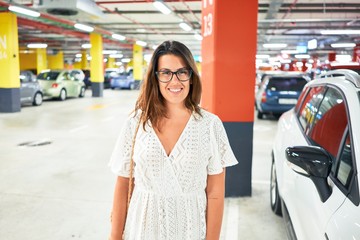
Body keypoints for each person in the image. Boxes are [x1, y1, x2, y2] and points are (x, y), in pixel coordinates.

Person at [109, 40, 238, 240]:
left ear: (192, 77)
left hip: (190, 231)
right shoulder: (136, 123)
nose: (174, 81)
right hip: (141, 230)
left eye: (182, 72)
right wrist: (114, 236)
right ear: (155, 78)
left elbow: (214, 193)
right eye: (166, 73)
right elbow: (123, 184)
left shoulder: (210, 125)